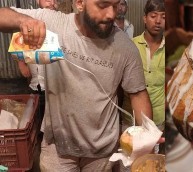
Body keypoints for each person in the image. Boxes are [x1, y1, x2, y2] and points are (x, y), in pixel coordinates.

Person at [0, 0, 154, 171]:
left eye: (115, 5)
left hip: (102, 152)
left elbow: (138, 94)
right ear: (80, 3)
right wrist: (24, 21)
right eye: (102, 5)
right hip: (58, 147)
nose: (112, 14)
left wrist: (147, 136)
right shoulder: (53, 23)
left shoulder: (126, 48)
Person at [122, 0, 165, 132]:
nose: (158, 21)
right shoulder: (130, 46)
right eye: (153, 16)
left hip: (159, 122)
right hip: (131, 120)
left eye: (163, 17)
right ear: (145, 19)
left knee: (155, 153)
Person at [17, 0, 58, 121]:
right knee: (35, 105)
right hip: (35, 73)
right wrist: (21, 63)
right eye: (47, 0)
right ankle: (38, 130)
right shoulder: (30, 18)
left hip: (54, 76)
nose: (51, 3)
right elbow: (20, 41)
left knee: (53, 106)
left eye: (55, 0)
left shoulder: (60, 21)